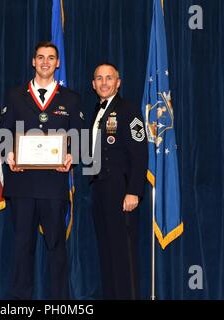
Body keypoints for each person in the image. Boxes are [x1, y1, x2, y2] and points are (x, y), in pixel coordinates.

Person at [0, 41, 84, 299]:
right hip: (22, 185)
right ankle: (20, 302)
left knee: (56, 247)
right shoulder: (16, 95)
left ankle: (60, 301)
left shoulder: (71, 98)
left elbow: (80, 137)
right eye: (40, 57)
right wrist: (9, 154)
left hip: (54, 185)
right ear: (33, 62)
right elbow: (2, 133)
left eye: (50, 58)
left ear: (58, 63)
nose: (45, 62)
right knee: (22, 247)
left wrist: (72, 156)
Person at [89, 63, 148, 299]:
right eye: (99, 78)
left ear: (118, 82)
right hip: (99, 190)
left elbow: (140, 153)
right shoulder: (96, 111)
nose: (104, 83)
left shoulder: (129, 110)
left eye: (109, 78)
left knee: (123, 255)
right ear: (93, 84)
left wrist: (134, 191)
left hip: (121, 191)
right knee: (107, 252)